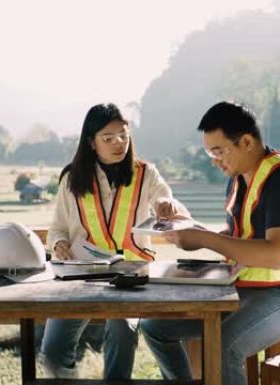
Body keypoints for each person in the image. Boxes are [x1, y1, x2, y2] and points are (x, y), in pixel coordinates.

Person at [139, 101, 280, 385]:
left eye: (219, 151)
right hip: (241, 289)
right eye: (210, 153)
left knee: (223, 346)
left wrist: (203, 238)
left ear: (246, 142)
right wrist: (191, 230)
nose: (215, 160)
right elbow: (238, 238)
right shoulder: (238, 179)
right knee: (155, 328)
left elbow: (275, 255)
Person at [42, 103, 188, 380]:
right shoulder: (72, 178)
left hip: (131, 274)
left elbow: (165, 199)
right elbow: (59, 226)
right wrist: (59, 243)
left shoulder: (146, 173)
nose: (118, 143)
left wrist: (166, 203)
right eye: (108, 138)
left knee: (121, 331)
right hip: (82, 275)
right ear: (91, 142)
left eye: (123, 134)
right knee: (53, 350)